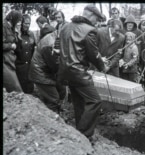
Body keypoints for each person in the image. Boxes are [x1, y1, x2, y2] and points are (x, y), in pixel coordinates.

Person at [57, 5, 108, 139]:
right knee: (95, 101)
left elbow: (58, 47)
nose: (97, 23)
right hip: (78, 72)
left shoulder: (65, 27)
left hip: (64, 72)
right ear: (91, 15)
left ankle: (79, 132)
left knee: (78, 102)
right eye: (97, 19)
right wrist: (102, 66)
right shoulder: (90, 30)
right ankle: (83, 134)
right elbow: (93, 54)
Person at [28, 31, 64, 113]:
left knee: (61, 91)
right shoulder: (50, 45)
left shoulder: (56, 36)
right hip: (41, 73)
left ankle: (56, 112)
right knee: (53, 99)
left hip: (45, 70)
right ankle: (52, 119)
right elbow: (54, 66)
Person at [15, 14, 36, 94]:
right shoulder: (16, 34)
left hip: (29, 67)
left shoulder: (31, 34)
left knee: (30, 88)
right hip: (19, 67)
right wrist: (19, 38)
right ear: (21, 23)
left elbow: (34, 49)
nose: (27, 25)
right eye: (25, 23)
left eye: (29, 23)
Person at [3, 10, 23, 93]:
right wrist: (10, 46)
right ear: (13, 19)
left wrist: (18, 34)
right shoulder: (4, 26)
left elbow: (18, 46)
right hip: (4, 61)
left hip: (10, 60)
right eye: (18, 21)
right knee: (16, 89)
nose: (19, 23)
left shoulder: (12, 28)